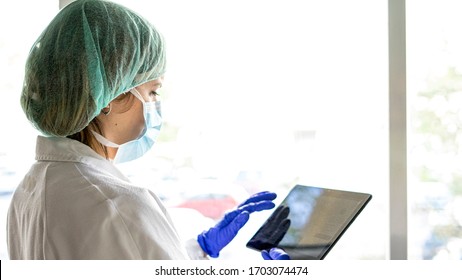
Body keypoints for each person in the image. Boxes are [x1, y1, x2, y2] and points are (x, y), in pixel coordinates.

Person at [7, 0, 289, 260]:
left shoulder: (27, 193)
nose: (155, 104)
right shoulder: (120, 205)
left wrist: (198, 248)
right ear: (108, 97)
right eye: (153, 91)